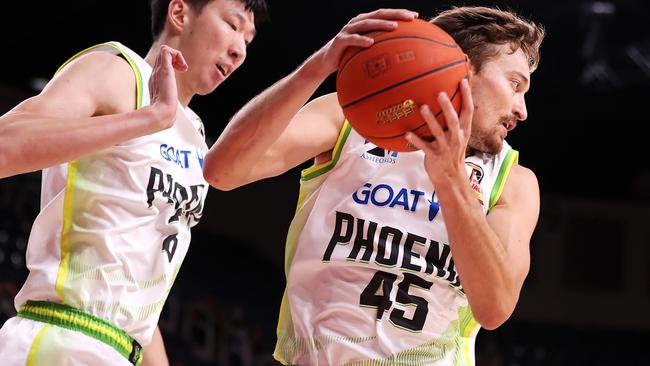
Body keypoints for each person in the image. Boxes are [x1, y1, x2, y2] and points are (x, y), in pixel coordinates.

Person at [203, 6, 544, 365]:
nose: (522, 110)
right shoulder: (349, 119)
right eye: (515, 84)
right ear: (463, 66)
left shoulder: (512, 181)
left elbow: (495, 308)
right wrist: (317, 67)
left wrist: (451, 182)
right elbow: (222, 170)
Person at [0, 0, 267, 365]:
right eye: (233, 26)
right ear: (179, 13)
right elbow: (5, 146)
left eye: (249, 40)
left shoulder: (196, 138)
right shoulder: (116, 69)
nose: (240, 50)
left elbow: (139, 300)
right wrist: (150, 118)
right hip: (62, 337)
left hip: (121, 350)